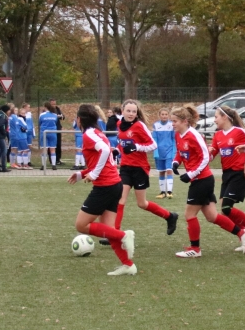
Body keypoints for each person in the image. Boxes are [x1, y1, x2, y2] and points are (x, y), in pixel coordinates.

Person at [171, 105, 245, 258]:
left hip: (202, 180)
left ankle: (195, 249)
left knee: (189, 214)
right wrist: (175, 162)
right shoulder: (178, 135)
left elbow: (205, 157)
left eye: (175, 121)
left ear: (185, 121)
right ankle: (242, 233)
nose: (172, 124)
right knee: (212, 216)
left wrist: (191, 174)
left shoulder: (194, 135)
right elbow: (180, 152)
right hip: (200, 180)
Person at [67, 103, 137, 276]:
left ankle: (124, 236)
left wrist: (94, 174)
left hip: (105, 186)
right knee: (108, 229)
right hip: (114, 184)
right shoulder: (97, 133)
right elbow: (103, 158)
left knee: (81, 225)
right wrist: (82, 174)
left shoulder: (89, 135)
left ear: (79, 120)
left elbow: (105, 150)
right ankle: (128, 265)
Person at [112, 99, 179, 240]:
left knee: (142, 204)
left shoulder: (139, 126)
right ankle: (115, 233)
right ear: (122, 111)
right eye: (128, 111)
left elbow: (153, 145)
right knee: (120, 200)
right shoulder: (119, 124)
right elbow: (123, 143)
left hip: (139, 169)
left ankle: (169, 216)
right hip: (125, 167)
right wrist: (117, 151)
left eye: (134, 111)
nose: (131, 113)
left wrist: (136, 147)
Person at [210, 105, 245, 249]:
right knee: (225, 211)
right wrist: (208, 151)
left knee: (226, 207)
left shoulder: (239, 132)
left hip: (238, 173)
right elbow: (211, 156)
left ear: (225, 117)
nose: (214, 120)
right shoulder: (217, 135)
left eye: (216, 117)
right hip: (226, 174)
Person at [153, 108, 176, 198]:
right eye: (162, 114)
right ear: (159, 115)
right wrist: (155, 152)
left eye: (166, 114)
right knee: (161, 172)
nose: (164, 116)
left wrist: (174, 151)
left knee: (169, 170)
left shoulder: (171, 125)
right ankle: (162, 192)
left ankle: (169, 191)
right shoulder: (156, 125)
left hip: (169, 151)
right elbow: (154, 139)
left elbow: (173, 139)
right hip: (159, 152)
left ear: (168, 115)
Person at [38, 102, 59, 167]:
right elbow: (55, 122)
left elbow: (40, 123)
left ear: (45, 107)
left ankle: (43, 165)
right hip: (52, 133)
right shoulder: (55, 115)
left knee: (44, 149)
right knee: (52, 149)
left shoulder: (42, 115)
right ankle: (54, 165)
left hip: (44, 133)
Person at [50, 99, 65, 165]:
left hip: (58, 128)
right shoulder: (48, 111)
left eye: (54, 104)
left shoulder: (57, 109)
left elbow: (62, 116)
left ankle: (58, 159)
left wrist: (61, 116)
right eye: (52, 104)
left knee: (58, 144)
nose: (54, 105)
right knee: (52, 145)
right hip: (51, 129)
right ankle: (52, 160)